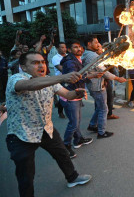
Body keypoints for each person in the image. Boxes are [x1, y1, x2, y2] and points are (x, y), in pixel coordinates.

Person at [5, 51, 92, 196]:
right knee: (26, 174)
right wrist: (63, 76)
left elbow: (68, 94)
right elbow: (31, 85)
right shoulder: (16, 78)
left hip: (46, 129)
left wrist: (77, 93)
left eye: (43, 62)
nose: (41, 65)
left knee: (62, 154)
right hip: (21, 134)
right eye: (35, 63)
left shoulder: (50, 80)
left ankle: (73, 178)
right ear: (23, 67)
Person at [60, 39, 99, 158]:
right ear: (70, 49)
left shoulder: (76, 59)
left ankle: (78, 140)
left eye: (80, 47)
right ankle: (65, 146)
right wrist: (91, 75)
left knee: (76, 121)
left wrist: (89, 75)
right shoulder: (70, 62)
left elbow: (80, 75)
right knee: (73, 123)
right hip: (69, 95)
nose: (79, 49)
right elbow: (74, 77)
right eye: (75, 47)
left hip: (76, 94)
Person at [82, 36, 126, 139]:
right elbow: (103, 72)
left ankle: (92, 125)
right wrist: (117, 78)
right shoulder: (92, 56)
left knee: (100, 107)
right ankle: (101, 132)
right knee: (103, 109)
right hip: (96, 86)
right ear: (89, 44)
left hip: (93, 85)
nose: (98, 44)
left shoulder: (88, 54)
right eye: (96, 42)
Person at [96, 43, 119, 120]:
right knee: (101, 100)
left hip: (107, 80)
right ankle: (100, 116)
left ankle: (109, 113)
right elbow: (103, 72)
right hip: (100, 82)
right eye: (99, 47)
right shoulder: (97, 58)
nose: (100, 48)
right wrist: (117, 78)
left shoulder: (107, 56)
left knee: (110, 96)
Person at [52, 42, 67, 119]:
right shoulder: (55, 58)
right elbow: (60, 68)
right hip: (61, 79)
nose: (64, 49)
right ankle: (60, 111)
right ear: (57, 48)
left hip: (69, 78)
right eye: (61, 47)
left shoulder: (68, 56)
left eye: (64, 47)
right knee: (62, 96)